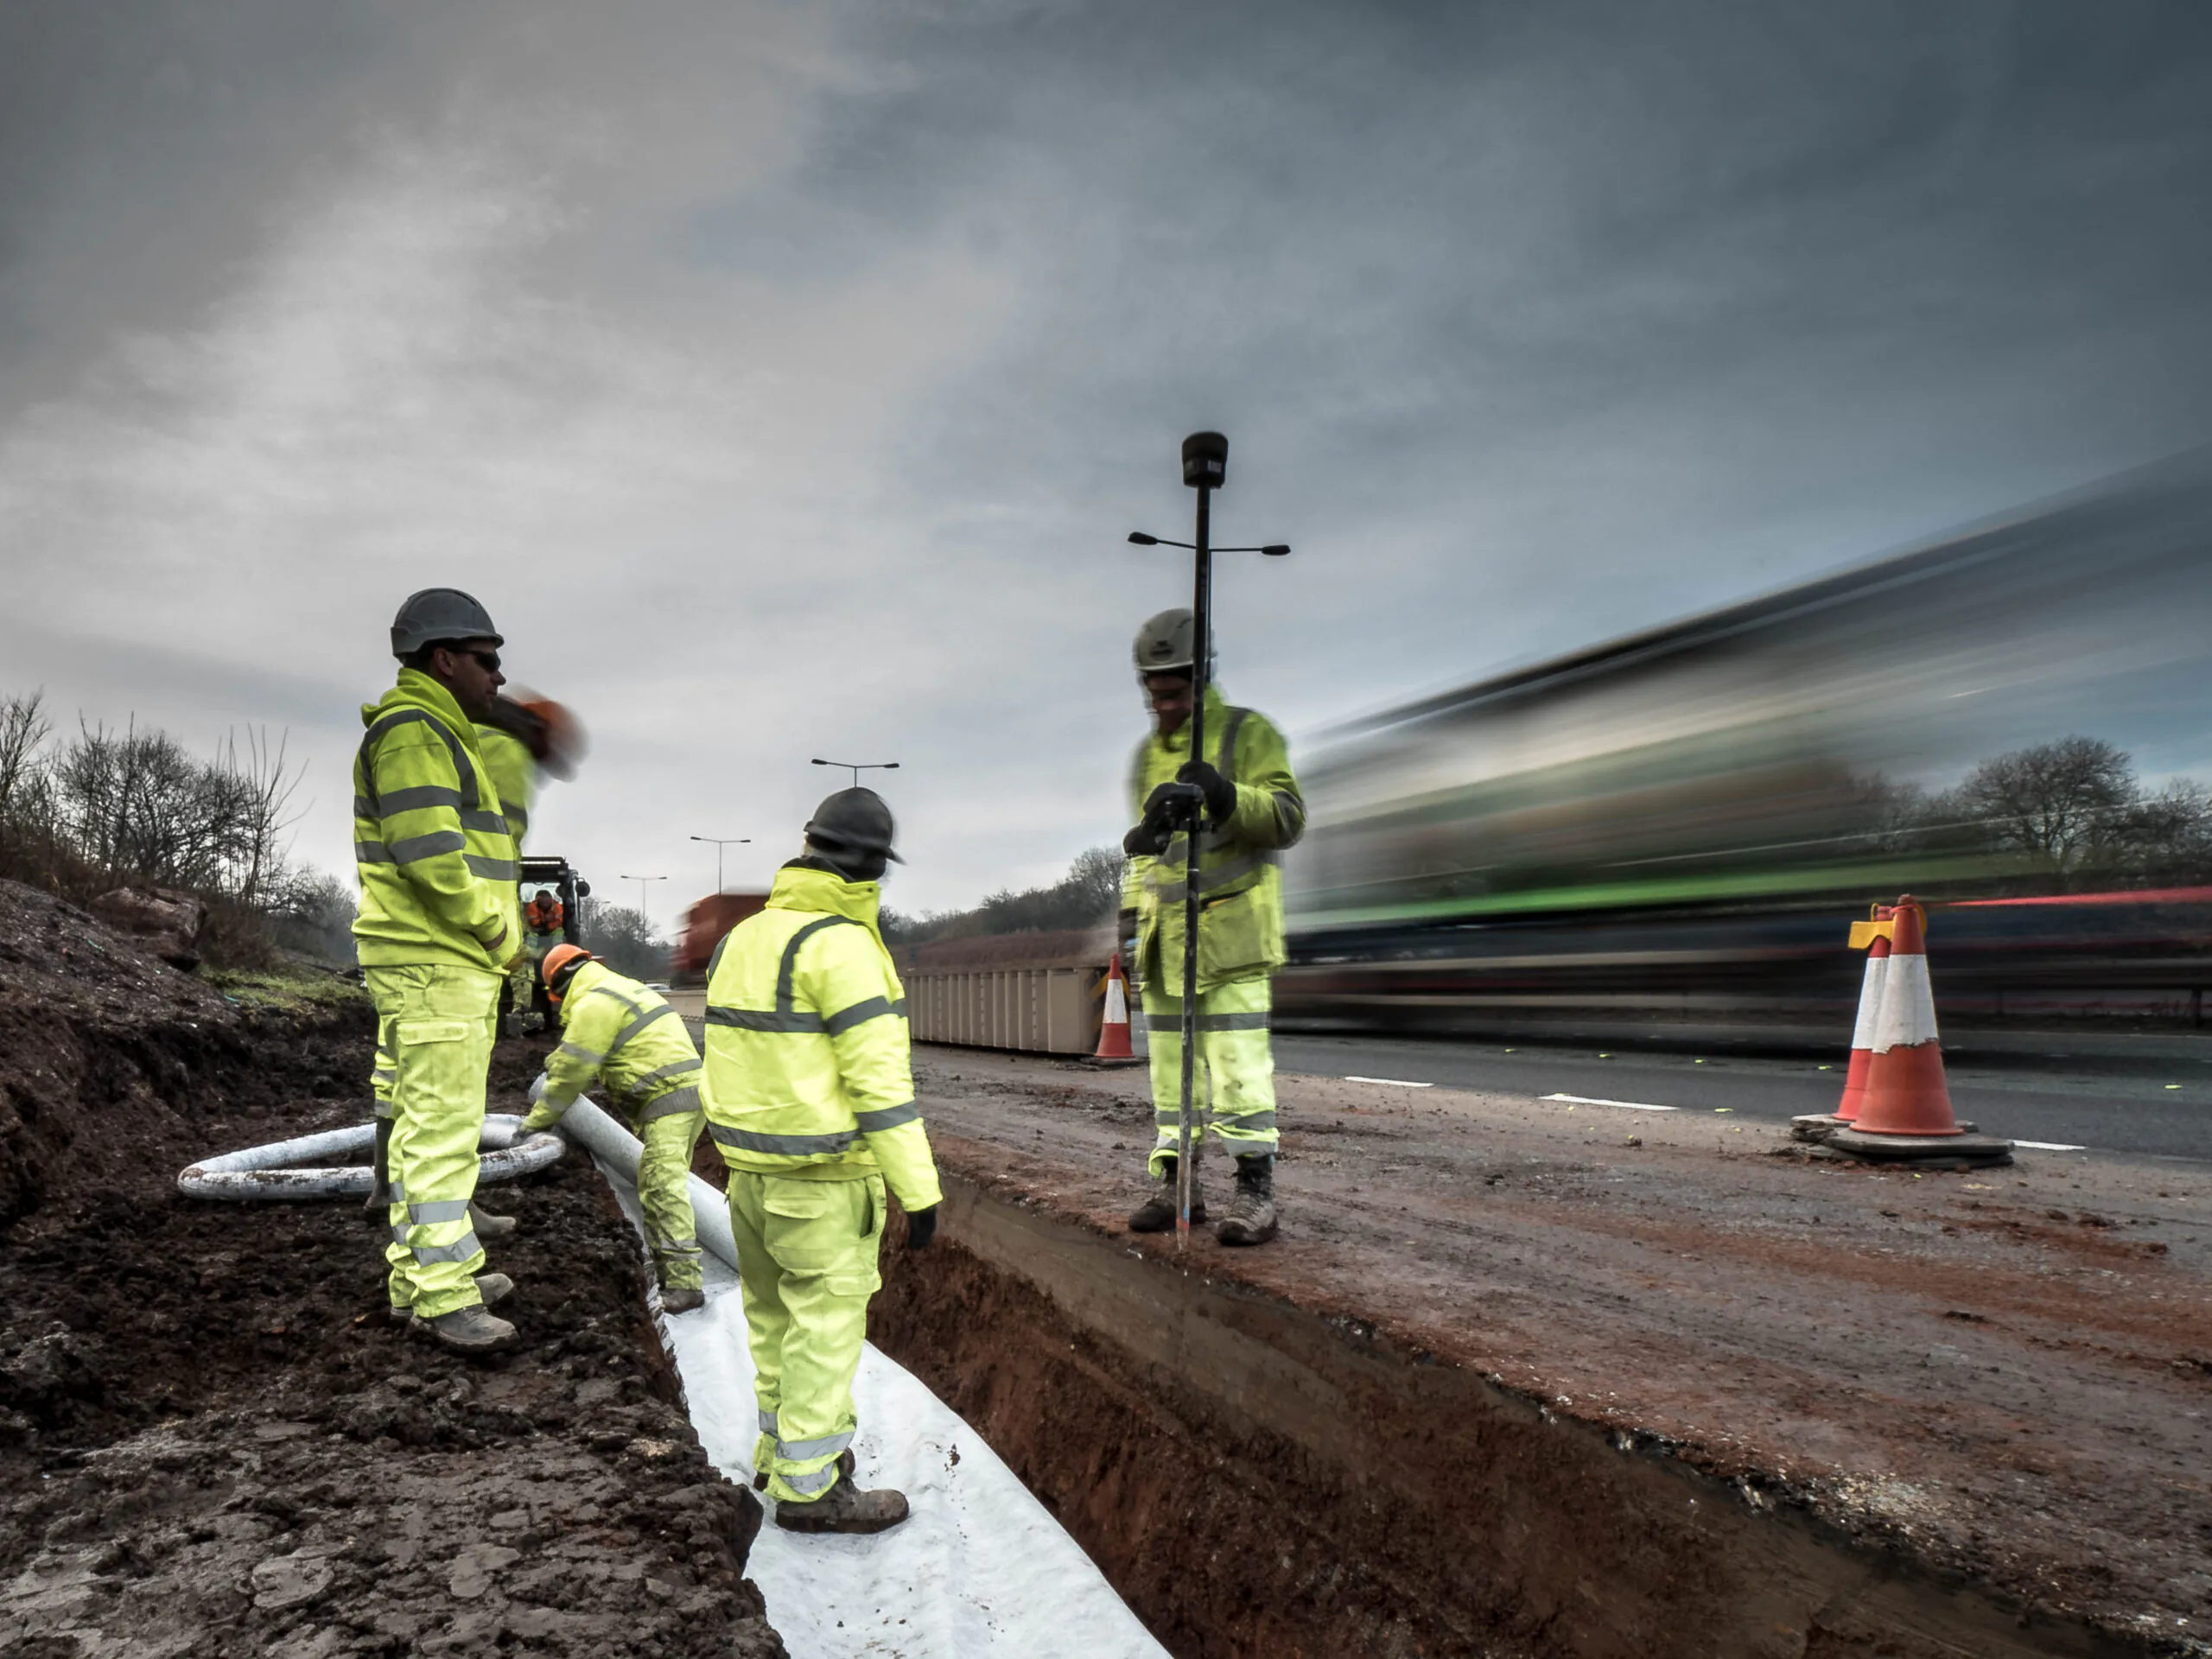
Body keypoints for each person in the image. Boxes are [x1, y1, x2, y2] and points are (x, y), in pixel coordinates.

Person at [701, 788, 942, 1535]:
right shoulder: (844, 948)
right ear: (872, 869)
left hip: (749, 1179)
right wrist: (919, 1190)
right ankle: (812, 1492)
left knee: (774, 1324)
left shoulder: (745, 938)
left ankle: (784, 1456)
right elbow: (881, 1087)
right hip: (826, 1187)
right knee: (826, 1331)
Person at [354, 588, 525, 1353]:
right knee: (441, 1134)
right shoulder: (418, 732)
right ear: (443, 659)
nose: (497, 676)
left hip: (438, 958)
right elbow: (433, 857)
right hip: (437, 957)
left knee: (435, 1127)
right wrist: (494, 927)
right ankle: (438, 1296)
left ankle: (426, 1274)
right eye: (485, 660)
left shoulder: (436, 731)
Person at [1119, 607, 1306, 1245]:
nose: (1161, 705)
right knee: (1170, 1078)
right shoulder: (1147, 757)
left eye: (1172, 692)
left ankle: (1256, 1193)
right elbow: (1147, 862)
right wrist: (1138, 844)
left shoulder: (1248, 735)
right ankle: (1179, 1187)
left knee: (1238, 1072)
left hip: (1231, 942)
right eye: (1153, 692)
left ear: (1200, 678)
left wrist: (1227, 796)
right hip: (1164, 943)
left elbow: (1286, 818)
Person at [521, 943, 709, 1313]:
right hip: (690, 1096)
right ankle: (668, 1269)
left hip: (668, 1101)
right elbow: (575, 1053)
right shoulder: (618, 988)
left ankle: (686, 1285)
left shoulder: (594, 1003)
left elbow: (573, 1071)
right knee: (658, 1184)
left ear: (558, 987)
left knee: (661, 1189)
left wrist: (535, 1122)